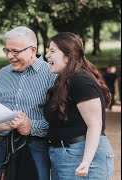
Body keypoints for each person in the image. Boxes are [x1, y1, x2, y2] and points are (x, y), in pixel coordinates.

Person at [0, 26, 57, 180]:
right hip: (3, 146)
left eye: (15, 51)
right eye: (7, 50)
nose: (10, 56)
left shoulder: (52, 74)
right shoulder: (3, 74)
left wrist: (32, 127)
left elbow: (59, 120)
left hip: (36, 147)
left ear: (32, 49)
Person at [43, 32, 114, 179]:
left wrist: (86, 162)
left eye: (52, 51)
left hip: (81, 155)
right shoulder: (63, 81)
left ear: (68, 56)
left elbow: (95, 124)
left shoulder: (80, 80)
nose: (47, 56)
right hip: (64, 155)